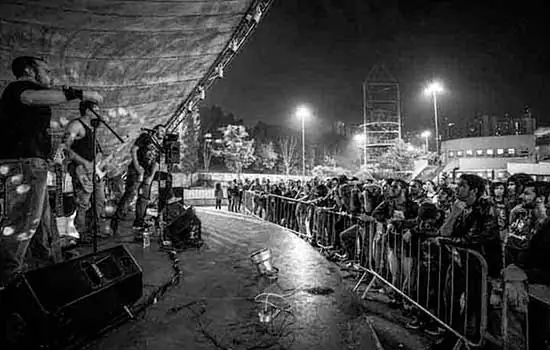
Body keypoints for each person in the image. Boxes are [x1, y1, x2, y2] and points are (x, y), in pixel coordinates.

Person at [0, 56, 102, 288]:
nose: (50, 76)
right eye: (45, 70)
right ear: (29, 70)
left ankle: (47, 270)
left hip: (34, 164)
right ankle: (9, 282)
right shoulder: (19, 88)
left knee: (43, 224)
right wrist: (81, 94)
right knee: (23, 223)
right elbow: (31, 97)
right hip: (24, 163)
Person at [62, 101, 107, 244]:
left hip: (94, 171)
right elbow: (65, 147)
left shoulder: (92, 128)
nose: (98, 112)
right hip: (81, 170)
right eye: (96, 110)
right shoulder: (76, 125)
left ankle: (95, 230)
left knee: (99, 201)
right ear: (87, 111)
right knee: (83, 203)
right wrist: (84, 162)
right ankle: (81, 233)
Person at [111, 124, 165, 236]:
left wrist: (150, 177)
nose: (163, 133)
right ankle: (116, 221)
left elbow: (157, 162)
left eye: (164, 131)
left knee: (144, 197)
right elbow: (133, 150)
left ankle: (139, 222)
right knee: (130, 194)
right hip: (136, 170)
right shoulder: (145, 137)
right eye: (161, 130)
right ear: (155, 130)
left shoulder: (161, 145)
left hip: (147, 173)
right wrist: (137, 167)